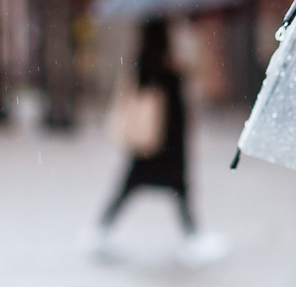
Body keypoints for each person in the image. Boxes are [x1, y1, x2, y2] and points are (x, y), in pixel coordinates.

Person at [94, 17, 225, 265]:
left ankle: (104, 229)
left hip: (161, 137)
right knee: (164, 184)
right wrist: (173, 69)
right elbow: (152, 85)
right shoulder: (154, 57)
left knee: (144, 183)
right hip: (161, 136)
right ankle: (192, 237)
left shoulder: (156, 53)